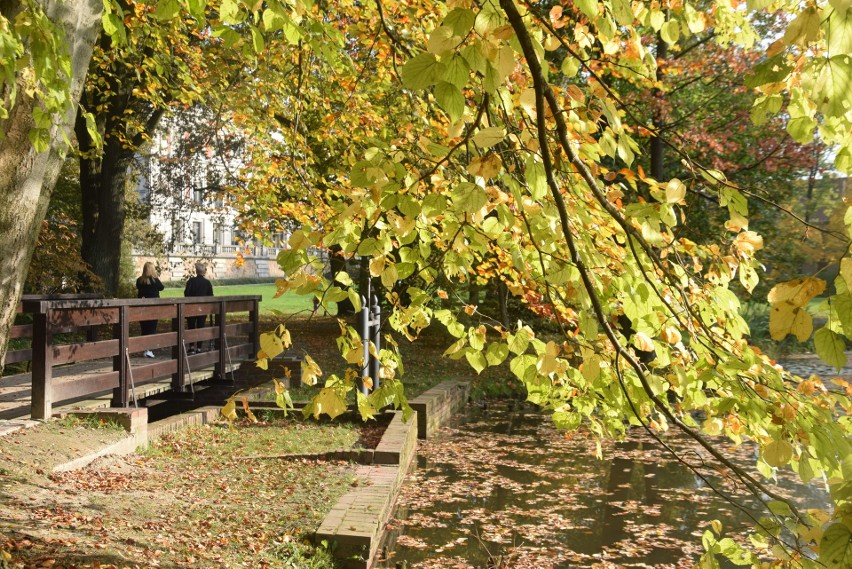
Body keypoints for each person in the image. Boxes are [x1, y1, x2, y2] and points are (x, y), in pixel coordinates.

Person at [135, 261, 164, 358]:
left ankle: (145, 349)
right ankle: (149, 349)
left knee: (144, 328)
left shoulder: (139, 280)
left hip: (142, 308)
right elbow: (162, 288)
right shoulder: (155, 280)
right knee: (152, 328)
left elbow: (138, 287)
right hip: (153, 308)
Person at [184, 262, 214, 353]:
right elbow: (211, 296)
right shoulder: (207, 283)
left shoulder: (191, 281)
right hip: (202, 308)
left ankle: (192, 347)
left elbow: (186, 293)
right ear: (203, 271)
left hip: (191, 307)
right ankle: (199, 348)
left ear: (196, 271)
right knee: (200, 326)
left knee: (191, 327)